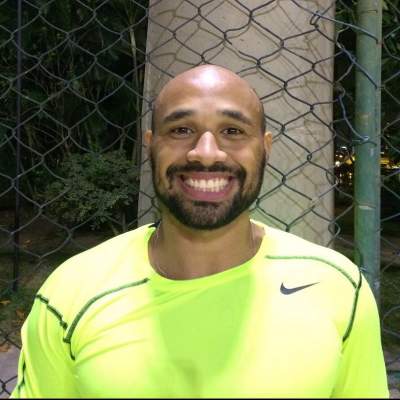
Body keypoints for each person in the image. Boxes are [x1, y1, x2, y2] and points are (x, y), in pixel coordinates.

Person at [12, 65, 389, 398]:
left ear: (265, 148)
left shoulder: (337, 287)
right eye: (181, 130)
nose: (206, 152)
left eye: (232, 131)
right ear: (151, 146)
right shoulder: (71, 293)